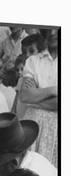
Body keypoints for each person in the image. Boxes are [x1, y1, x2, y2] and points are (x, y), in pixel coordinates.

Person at [20, 28, 58, 167]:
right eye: (50, 29)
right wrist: (54, 90)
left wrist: (36, 99)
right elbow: (25, 95)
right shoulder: (33, 61)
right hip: (33, 127)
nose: (53, 33)